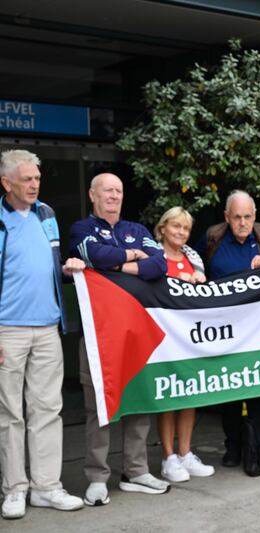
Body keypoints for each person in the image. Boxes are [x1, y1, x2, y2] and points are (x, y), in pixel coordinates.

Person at [70, 173, 170, 506]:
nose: (113, 195)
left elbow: (160, 265)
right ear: (92, 194)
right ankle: (97, 478)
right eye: (107, 190)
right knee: (98, 407)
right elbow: (93, 255)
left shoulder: (137, 230)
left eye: (118, 190)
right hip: (98, 335)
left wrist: (118, 266)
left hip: (135, 333)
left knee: (137, 402)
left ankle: (135, 471)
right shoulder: (81, 229)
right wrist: (130, 257)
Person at [0, 150, 85, 520]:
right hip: (7, 330)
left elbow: (46, 264)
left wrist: (68, 267)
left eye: (37, 178)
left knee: (48, 410)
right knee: (9, 413)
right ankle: (14, 489)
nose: (35, 185)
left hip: (48, 327)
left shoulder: (47, 214)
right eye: (27, 179)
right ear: (7, 183)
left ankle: (46, 487)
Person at [194, 190, 260, 473]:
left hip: (256, 329)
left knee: (258, 389)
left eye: (247, 216)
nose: (242, 222)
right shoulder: (212, 239)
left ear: (254, 216)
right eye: (237, 217)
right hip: (222, 329)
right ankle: (232, 446)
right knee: (228, 389)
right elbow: (197, 271)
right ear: (226, 218)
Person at [153, 206, 216, 481]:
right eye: (175, 226)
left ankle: (185, 454)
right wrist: (173, 281)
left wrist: (200, 282)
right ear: (163, 227)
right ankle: (168, 458)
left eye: (186, 228)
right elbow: (149, 289)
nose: (181, 232)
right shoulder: (152, 256)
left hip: (189, 336)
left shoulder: (193, 257)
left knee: (190, 394)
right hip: (163, 338)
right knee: (168, 395)